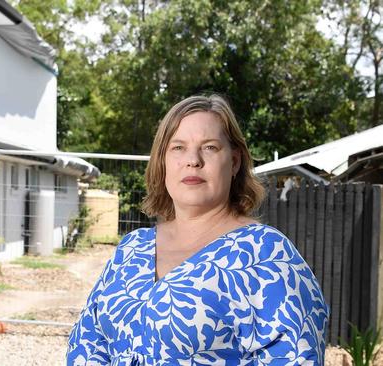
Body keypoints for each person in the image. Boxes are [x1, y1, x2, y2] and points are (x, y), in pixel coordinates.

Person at [66, 94, 328, 365]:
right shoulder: (132, 247)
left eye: (210, 147)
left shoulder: (267, 255)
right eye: (178, 147)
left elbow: (295, 358)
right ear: (163, 161)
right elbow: (87, 340)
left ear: (235, 162)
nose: (193, 160)